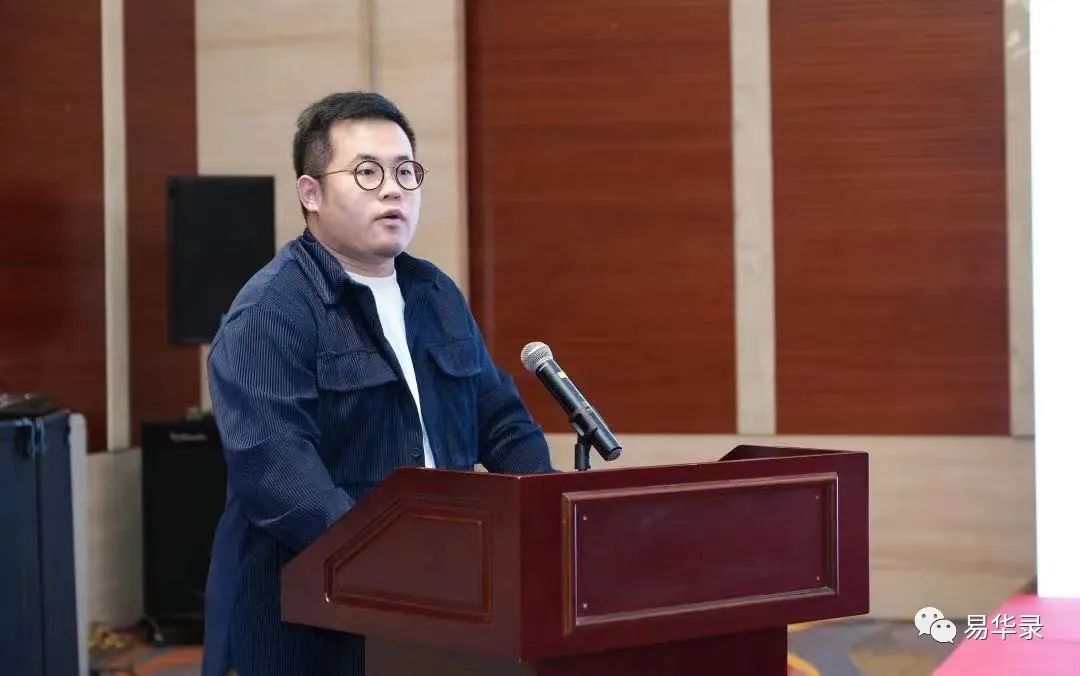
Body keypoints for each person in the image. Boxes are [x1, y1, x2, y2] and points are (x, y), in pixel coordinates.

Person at [202, 91, 554, 676]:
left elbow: (501, 422)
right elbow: (279, 475)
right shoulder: (272, 312)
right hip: (312, 626)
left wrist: (550, 521)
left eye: (405, 172)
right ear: (311, 193)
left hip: (442, 600)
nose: (393, 190)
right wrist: (395, 567)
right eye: (367, 173)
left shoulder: (434, 293)